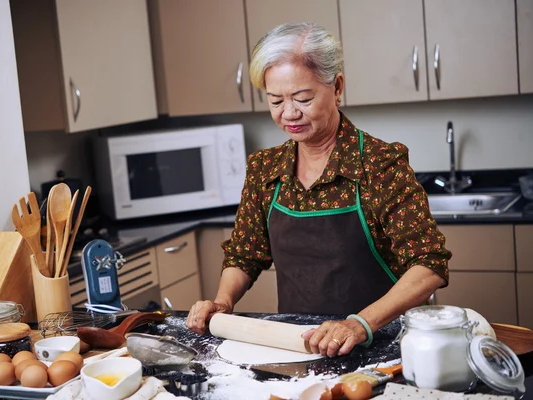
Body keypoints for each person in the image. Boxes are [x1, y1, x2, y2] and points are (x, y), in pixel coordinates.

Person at [186, 22, 451, 357]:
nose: (289, 113)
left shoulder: (380, 164)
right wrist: (223, 303)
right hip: (300, 347)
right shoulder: (264, 170)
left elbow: (429, 265)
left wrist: (359, 324)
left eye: (303, 98)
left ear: (337, 87)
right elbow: (244, 254)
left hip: (381, 346)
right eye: (275, 101)